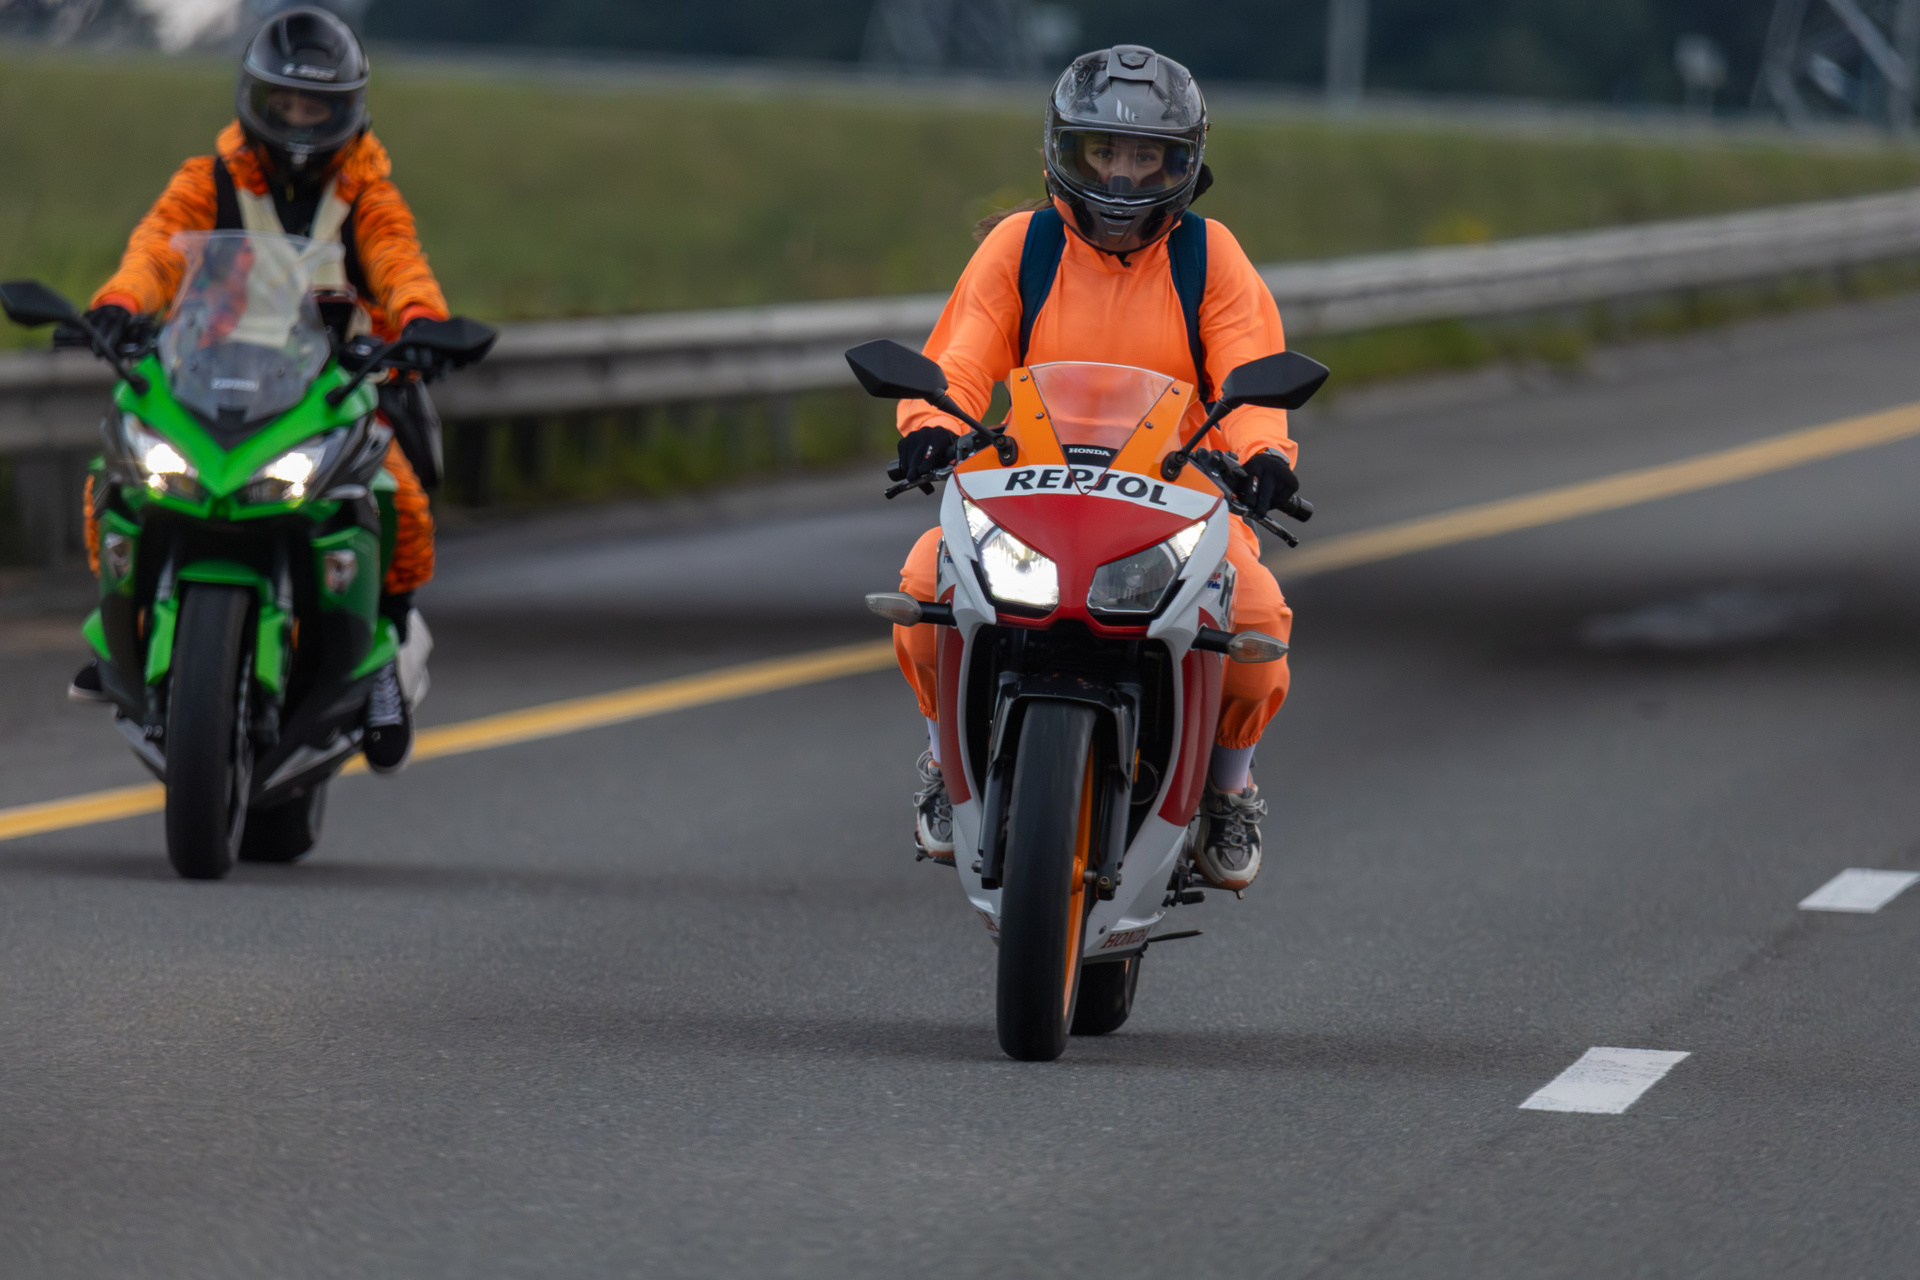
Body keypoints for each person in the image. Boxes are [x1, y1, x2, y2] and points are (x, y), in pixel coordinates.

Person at [894, 45, 1300, 892]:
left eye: (1147, 156)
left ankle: (1229, 788)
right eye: (1103, 151)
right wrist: (931, 423)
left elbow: (1249, 370)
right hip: (1024, 494)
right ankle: (942, 760)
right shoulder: (1021, 246)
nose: (1121, 177)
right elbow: (961, 359)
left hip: (1178, 500)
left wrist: (1263, 453)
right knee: (927, 581)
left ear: (1184, 163)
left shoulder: (1209, 256)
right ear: (1063, 151)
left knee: (1257, 614)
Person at [66, 6, 443, 773]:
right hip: (206, 373)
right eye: (286, 103)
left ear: (347, 111)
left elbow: (398, 261)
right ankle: (123, 634)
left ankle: (384, 654)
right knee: (115, 479)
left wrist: (420, 320)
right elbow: (159, 248)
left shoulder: (368, 194)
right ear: (255, 99)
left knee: (398, 499)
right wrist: (119, 302)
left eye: (317, 107)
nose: (299, 121)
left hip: (331, 385)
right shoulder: (208, 179)